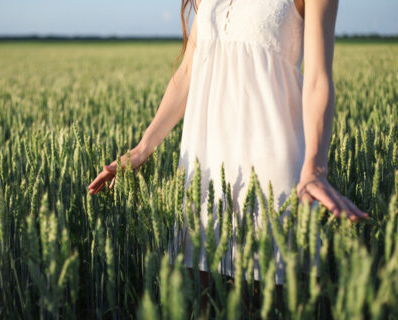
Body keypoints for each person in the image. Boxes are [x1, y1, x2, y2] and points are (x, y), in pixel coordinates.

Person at [88, 0, 369, 314]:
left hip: (271, 167)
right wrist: (141, 149)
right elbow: (186, 73)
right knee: (204, 303)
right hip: (204, 168)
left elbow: (318, 79)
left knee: (263, 303)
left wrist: (315, 168)